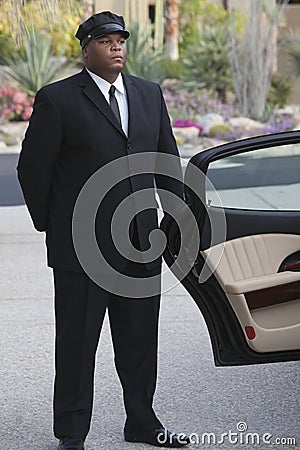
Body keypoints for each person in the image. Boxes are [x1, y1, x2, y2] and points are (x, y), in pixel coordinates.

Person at [17, 10, 190, 450]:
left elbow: (166, 162)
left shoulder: (149, 95)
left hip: (139, 242)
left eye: (121, 40)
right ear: (86, 48)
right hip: (81, 247)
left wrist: (173, 222)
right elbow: (33, 170)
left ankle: (143, 423)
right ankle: (72, 433)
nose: (117, 46)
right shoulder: (58, 99)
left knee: (139, 338)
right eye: (106, 40)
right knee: (77, 343)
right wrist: (53, 227)